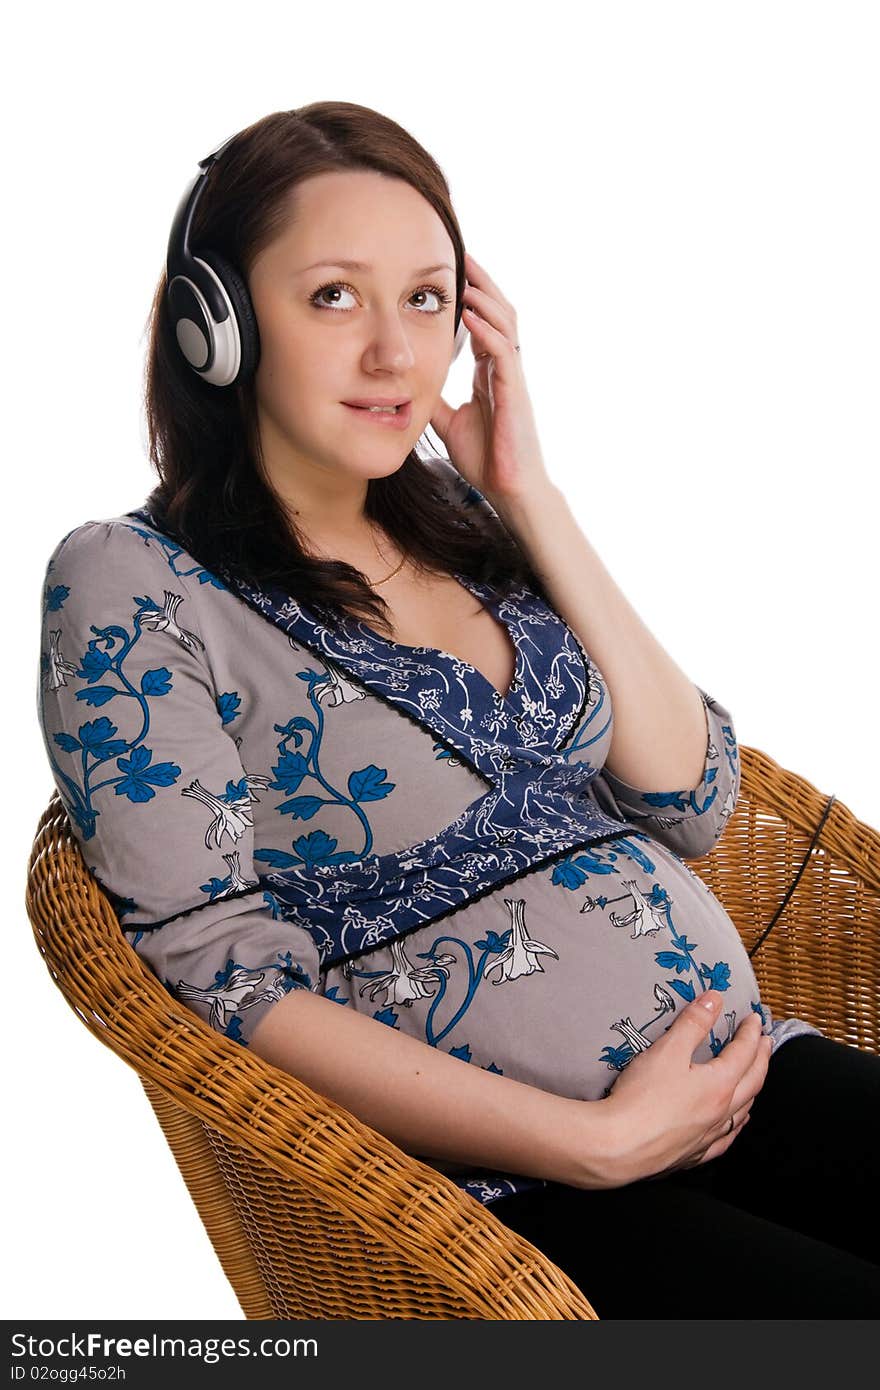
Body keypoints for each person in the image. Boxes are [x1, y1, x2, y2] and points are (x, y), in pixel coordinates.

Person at [36, 101, 879, 1317]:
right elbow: (222, 975)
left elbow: (690, 799)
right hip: (510, 1193)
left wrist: (527, 493)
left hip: (746, 1078)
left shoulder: (465, 528)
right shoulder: (135, 579)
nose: (395, 354)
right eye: (334, 296)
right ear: (211, 328)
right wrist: (588, 1144)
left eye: (426, 300)